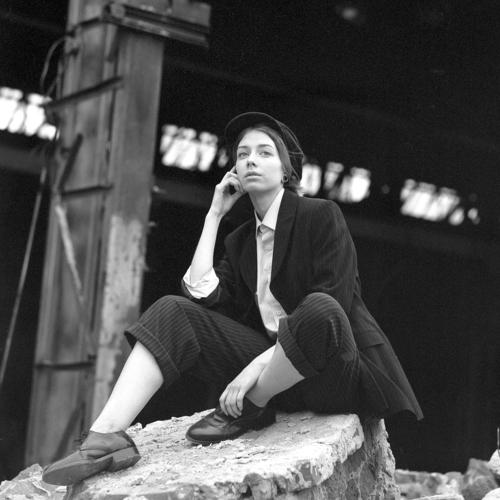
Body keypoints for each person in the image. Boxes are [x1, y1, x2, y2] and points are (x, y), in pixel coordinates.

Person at [42, 112, 423, 486]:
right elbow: (203, 294)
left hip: (331, 374)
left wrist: (254, 369)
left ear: (286, 170)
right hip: (280, 381)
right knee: (173, 310)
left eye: (264, 153)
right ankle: (106, 436)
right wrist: (214, 215)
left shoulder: (321, 215)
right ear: (234, 171)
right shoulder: (240, 240)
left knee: (319, 308)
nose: (251, 160)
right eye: (243, 154)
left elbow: (332, 302)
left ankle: (251, 406)